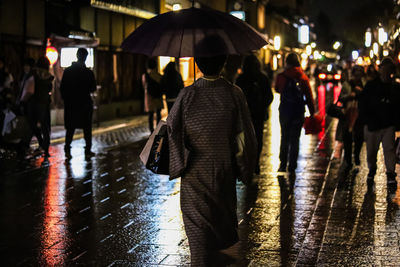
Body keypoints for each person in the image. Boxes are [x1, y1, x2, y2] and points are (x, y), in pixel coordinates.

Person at [167, 35, 257, 266]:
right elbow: (244, 136)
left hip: (194, 173)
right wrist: (244, 168)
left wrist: (179, 161)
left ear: (197, 63)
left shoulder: (187, 95)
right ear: (224, 62)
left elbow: (171, 131)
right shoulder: (234, 94)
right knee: (220, 223)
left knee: (197, 231)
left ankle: (201, 259)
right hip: (223, 170)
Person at [359, 57, 400, 189]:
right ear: (380, 69)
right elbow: (363, 103)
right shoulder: (371, 86)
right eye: (384, 68)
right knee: (371, 151)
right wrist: (366, 120)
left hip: (388, 124)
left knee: (389, 149)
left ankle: (390, 174)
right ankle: (372, 169)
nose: (386, 72)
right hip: (373, 124)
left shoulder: (395, 87)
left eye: (389, 69)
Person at [274, 53, 315, 173]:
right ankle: (292, 165)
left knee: (284, 137)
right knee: (295, 139)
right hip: (298, 112)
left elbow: (277, 89)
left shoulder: (281, 76)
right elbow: (308, 96)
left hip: (285, 111)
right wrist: (312, 112)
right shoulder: (302, 76)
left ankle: (282, 164)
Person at [236, 54, 273, 174]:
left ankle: (246, 163)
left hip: (245, 115)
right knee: (257, 139)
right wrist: (262, 105)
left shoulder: (241, 79)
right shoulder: (263, 78)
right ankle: (255, 163)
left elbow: (236, 98)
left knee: (244, 140)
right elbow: (269, 96)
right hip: (258, 114)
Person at [60, 48, 96, 159]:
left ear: (76, 56)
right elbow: (93, 88)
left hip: (71, 104)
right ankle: (88, 150)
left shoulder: (68, 71)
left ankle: (67, 150)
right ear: (85, 57)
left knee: (70, 128)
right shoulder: (88, 73)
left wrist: (66, 99)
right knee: (87, 128)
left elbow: (62, 88)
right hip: (85, 103)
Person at [339, 65, 365, 170]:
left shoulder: (365, 84)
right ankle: (348, 159)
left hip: (360, 114)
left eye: (360, 74)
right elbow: (341, 98)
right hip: (348, 114)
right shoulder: (347, 84)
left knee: (359, 137)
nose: (358, 76)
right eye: (356, 74)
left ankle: (356, 154)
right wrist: (350, 95)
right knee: (347, 137)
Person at [27, 56, 53, 158]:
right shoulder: (48, 76)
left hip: (33, 102)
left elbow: (29, 88)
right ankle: (45, 149)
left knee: (32, 124)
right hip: (45, 103)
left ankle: (38, 143)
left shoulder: (33, 74)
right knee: (45, 127)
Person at [142, 58, 163, 132]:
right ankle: (158, 129)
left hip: (149, 98)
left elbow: (144, 86)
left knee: (150, 115)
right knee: (158, 113)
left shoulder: (145, 76)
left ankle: (151, 130)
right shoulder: (159, 76)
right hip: (158, 97)